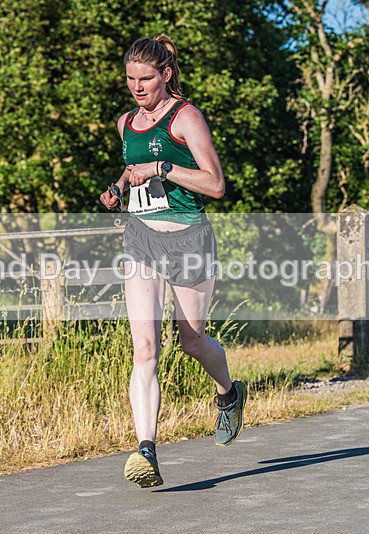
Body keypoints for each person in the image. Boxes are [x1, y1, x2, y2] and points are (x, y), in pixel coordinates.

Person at [99, 35, 247, 489]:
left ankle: (228, 393)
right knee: (144, 349)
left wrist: (162, 170)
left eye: (146, 78)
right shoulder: (127, 123)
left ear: (165, 74)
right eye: (130, 79)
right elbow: (134, 164)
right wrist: (120, 187)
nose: (137, 87)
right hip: (141, 239)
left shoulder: (187, 117)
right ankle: (146, 450)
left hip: (188, 239)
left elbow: (216, 184)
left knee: (192, 340)